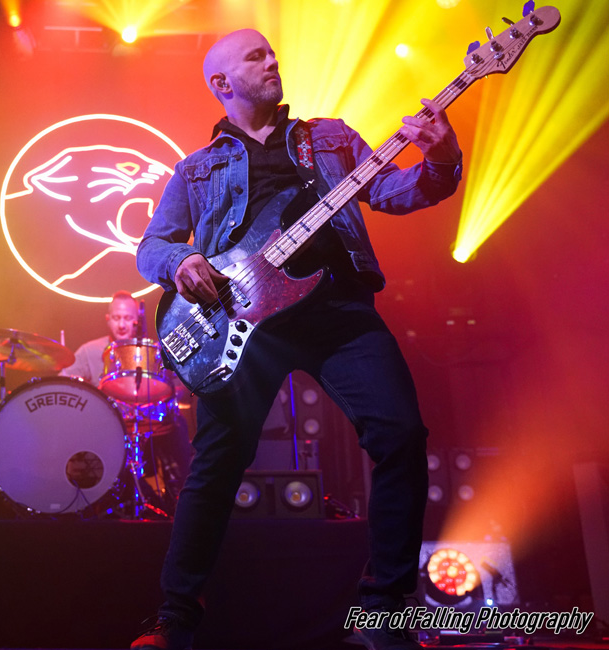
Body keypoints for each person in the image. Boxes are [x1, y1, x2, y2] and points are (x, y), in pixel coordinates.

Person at [130, 29, 462, 650]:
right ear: (222, 84)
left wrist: (441, 158)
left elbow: (395, 193)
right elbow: (151, 246)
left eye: (272, 52)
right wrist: (181, 265)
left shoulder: (330, 138)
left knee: (400, 436)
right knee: (215, 465)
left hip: (335, 310)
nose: (273, 60)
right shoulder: (196, 169)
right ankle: (176, 619)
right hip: (239, 323)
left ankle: (386, 611)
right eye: (255, 56)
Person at [59, 291, 194, 510]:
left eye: (127, 318)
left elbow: (177, 384)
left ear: (136, 320)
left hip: (147, 425)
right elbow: (64, 382)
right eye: (116, 318)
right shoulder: (90, 351)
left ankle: (180, 499)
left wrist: (174, 391)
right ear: (108, 319)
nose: (121, 324)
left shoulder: (150, 351)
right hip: (103, 427)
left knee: (177, 425)